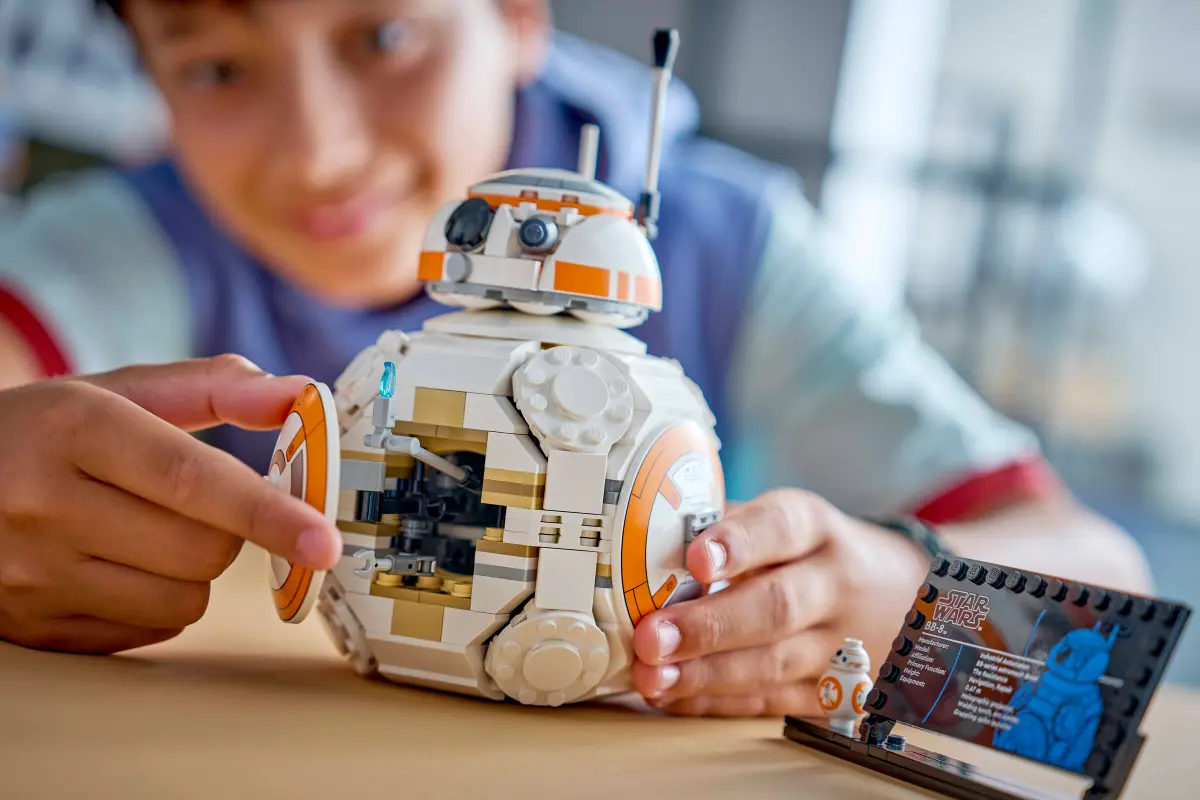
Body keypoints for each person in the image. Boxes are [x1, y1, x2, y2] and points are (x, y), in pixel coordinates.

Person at [0, 0, 1152, 718]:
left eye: (383, 35)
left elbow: (1105, 603)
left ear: (515, 14)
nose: (318, 150)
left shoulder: (730, 244)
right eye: (215, 66)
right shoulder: (126, 239)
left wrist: (907, 595)